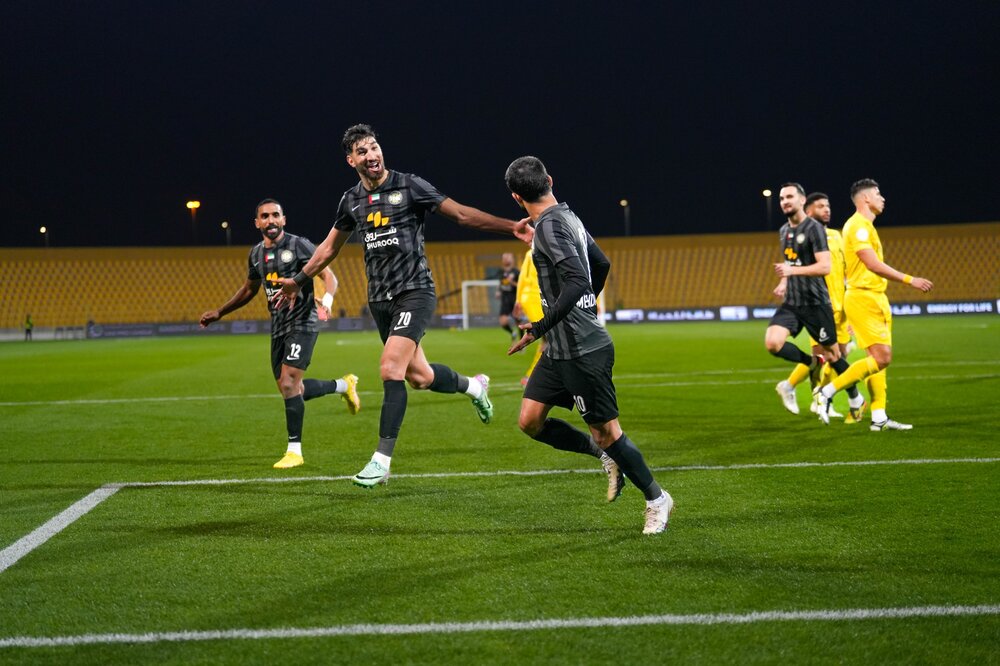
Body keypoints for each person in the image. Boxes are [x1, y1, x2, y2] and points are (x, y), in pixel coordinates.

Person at [273, 124, 533, 488]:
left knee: (390, 367)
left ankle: (381, 461)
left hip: (415, 291)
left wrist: (511, 228)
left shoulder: (410, 186)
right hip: (380, 301)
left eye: (374, 147)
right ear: (351, 161)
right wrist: (300, 280)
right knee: (420, 377)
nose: (371, 155)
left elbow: (460, 214)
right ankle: (475, 388)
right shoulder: (350, 200)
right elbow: (330, 247)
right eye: (362, 151)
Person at [504, 155, 673, 535]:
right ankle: (604, 456)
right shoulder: (567, 217)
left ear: (516, 197)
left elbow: (579, 280)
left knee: (608, 432)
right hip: (559, 349)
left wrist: (541, 326)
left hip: (582, 349)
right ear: (550, 179)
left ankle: (657, 498)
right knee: (530, 420)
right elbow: (602, 264)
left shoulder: (550, 227)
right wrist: (582, 307)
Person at [199, 198, 360, 469]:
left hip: (304, 322)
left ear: (284, 219)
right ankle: (344, 385)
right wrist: (220, 312)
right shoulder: (256, 254)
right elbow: (249, 290)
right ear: (257, 223)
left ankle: (294, 451)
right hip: (279, 326)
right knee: (292, 389)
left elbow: (329, 276)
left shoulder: (299, 245)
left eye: (275, 215)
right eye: (265, 216)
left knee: (288, 384)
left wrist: (327, 301)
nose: (271, 220)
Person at [814, 179, 933, 430]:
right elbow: (871, 263)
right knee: (882, 358)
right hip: (864, 298)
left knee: (877, 359)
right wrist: (910, 279)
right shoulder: (857, 226)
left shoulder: (866, 226)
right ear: (865, 198)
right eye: (878, 194)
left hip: (875, 297)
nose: (883, 198)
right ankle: (826, 392)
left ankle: (879, 416)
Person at [766, 183, 865, 424]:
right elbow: (791, 261)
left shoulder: (817, 231)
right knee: (773, 343)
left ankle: (854, 397)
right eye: (782, 198)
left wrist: (791, 272)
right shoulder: (783, 231)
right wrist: (785, 281)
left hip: (817, 302)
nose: (784, 201)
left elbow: (825, 267)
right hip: (793, 302)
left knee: (835, 355)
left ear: (801, 201)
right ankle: (807, 372)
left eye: (789, 197)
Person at [512, 247, 545, 386]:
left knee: (550, 337)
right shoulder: (537, 252)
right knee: (549, 336)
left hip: (536, 297)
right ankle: (531, 376)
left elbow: (522, 277)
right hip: (533, 297)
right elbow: (522, 278)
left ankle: (535, 375)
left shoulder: (532, 252)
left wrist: (518, 299)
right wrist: (518, 300)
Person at [496, 252, 521, 341]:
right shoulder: (501, 272)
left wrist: (512, 282)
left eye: (508, 257)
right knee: (503, 322)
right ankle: (512, 332)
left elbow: (521, 286)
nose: (506, 259)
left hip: (514, 298)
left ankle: (522, 340)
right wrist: (498, 291)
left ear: (512, 260)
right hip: (505, 299)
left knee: (518, 320)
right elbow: (501, 283)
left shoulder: (516, 272)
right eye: (504, 258)